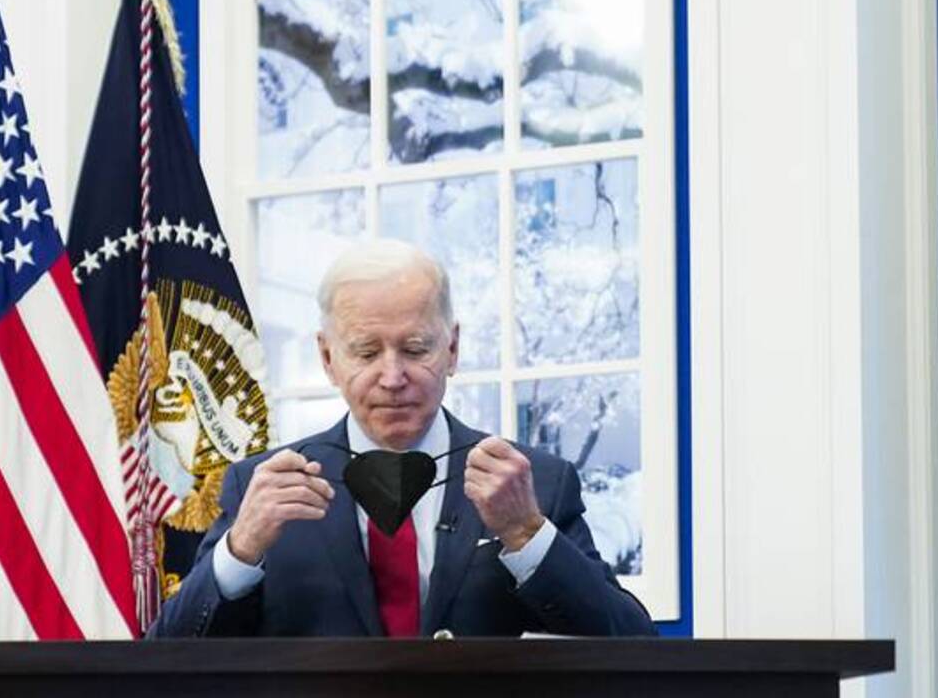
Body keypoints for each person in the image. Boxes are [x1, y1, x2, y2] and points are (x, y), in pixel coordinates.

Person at [150, 239, 655, 637]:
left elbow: (632, 644)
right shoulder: (258, 487)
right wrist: (240, 550)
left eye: (416, 349)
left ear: (452, 348)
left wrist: (527, 533)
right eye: (367, 352)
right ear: (328, 359)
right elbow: (167, 658)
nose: (393, 377)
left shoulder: (536, 482)